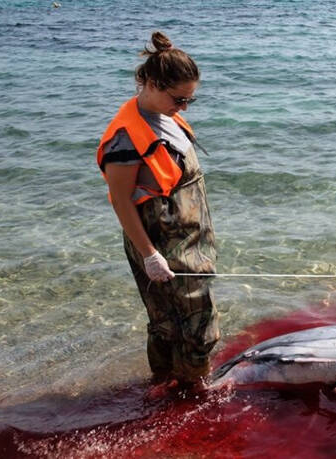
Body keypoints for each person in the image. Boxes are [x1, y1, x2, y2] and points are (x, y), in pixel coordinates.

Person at [96, 31, 219, 390]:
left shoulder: (168, 118)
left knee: (181, 319)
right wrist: (150, 256)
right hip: (160, 244)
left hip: (190, 241)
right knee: (183, 322)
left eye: (189, 102)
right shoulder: (124, 139)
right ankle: (190, 389)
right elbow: (121, 201)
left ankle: (173, 385)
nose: (183, 108)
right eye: (178, 99)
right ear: (151, 83)